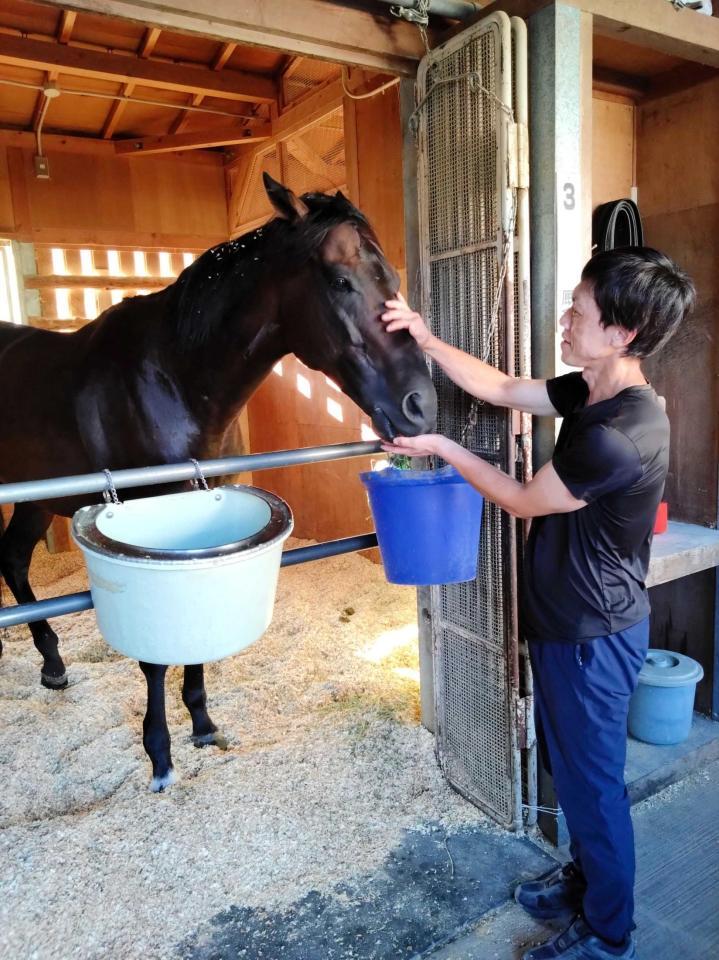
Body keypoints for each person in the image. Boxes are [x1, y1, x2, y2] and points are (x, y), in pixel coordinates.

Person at [380, 246, 696, 960]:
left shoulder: (619, 434)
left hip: (591, 635)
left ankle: (609, 935)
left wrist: (439, 447)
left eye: (577, 312)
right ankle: (584, 880)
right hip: (567, 624)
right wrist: (425, 339)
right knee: (572, 771)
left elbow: (523, 501)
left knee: (592, 788)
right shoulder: (592, 394)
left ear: (620, 333)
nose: (564, 319)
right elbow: (503, 388)